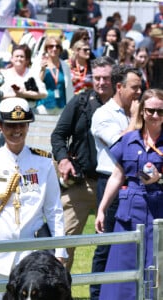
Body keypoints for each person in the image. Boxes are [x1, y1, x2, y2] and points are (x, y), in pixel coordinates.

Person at [0, 97, 68, 300]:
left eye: (21, 125)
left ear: (28, 126)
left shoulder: (43, 162)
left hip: (32, 258)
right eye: (11, 125)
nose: (16, 131)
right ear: (1, 127)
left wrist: (60, 251)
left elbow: (53, 209)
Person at [95, 88, 163, 300]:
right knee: (122, 265)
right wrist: (102, 208)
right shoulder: (129, 139)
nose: (155, 116)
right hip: (129, 211)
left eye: (161, 112)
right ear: (142, 111)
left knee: (155, 265)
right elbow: (117, 175)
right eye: (151, 110)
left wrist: (158, 178)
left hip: (158, 210)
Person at [51, 56, 115, 272]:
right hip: (81, 183)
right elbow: (58, 135)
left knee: (113, 243)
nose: (101, 83)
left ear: (115, 79)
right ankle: (55, 290)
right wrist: (63, 159)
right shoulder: (80, 102)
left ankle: (108, 291)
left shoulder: (125, 106)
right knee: (62, 243)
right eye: (97, 78)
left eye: (106, 78)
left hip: (112, 184)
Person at [90, 65, 142, 300]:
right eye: (134, 87)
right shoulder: (103, 115)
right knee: (107, 244)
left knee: (132, 244)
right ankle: (97, 293)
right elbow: (121, 147)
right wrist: (134, 119)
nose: (139, 93)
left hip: (135, 186)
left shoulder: (138, 111)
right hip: (109, 183)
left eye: (141, 87)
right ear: (119, 87)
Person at [0, 44, 47, 110]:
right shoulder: (3, 74)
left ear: (26, 59)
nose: (19, 58)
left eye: (22, 56)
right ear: (11, 59)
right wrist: (16, 95)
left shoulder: (33, 74)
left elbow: (44, 94)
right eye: (17, 56)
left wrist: (24, 94)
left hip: (29, 111)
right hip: (7, 111)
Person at [36, 35, 73, 114]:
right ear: (46, 48)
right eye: (51, 46)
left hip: (61, 106)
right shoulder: (40, 64)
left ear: (60, 49)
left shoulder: (65, 66)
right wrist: (42, 69)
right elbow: (38, 82)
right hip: (44, 106)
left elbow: (68, 87)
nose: (54, 49)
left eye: (57, 46)